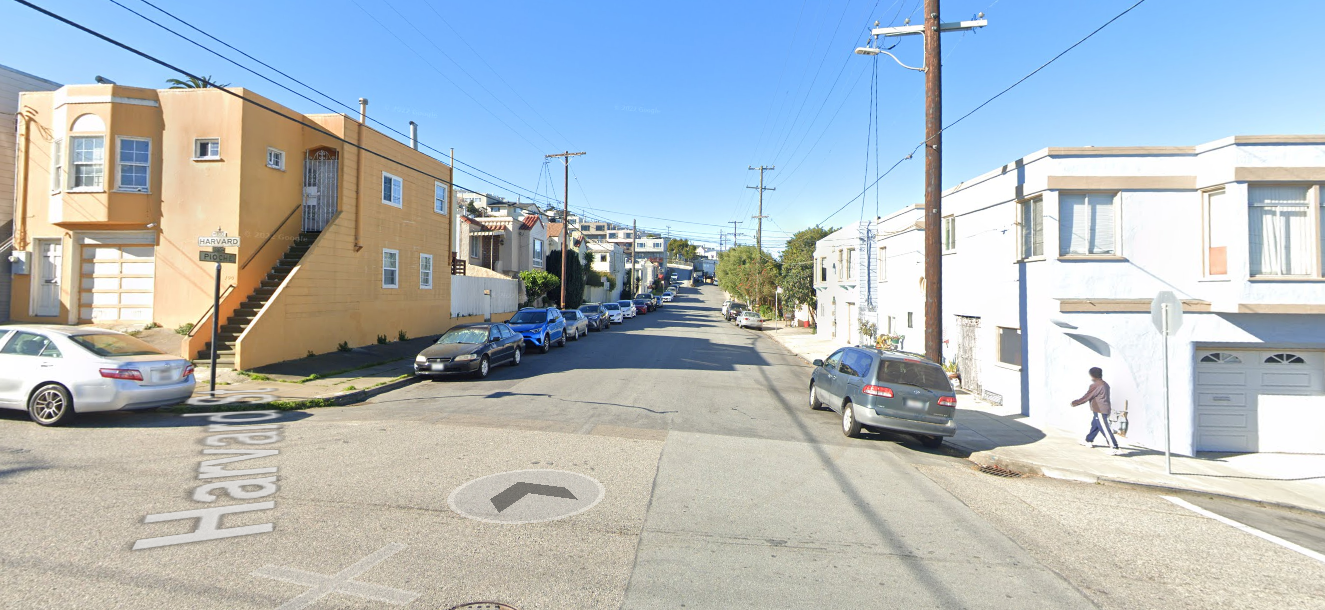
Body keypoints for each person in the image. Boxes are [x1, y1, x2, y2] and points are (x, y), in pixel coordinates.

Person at [1071, 367, 1124, 455]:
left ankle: (1115, 447)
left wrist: (1075, 403)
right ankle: (1088, 440)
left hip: (1100, 410)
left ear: (1093, 375)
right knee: (1095, 425)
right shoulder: (1105, 384)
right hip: (1103, 408)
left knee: (1104, 428)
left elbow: (1087, 396)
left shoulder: (1096, 385)